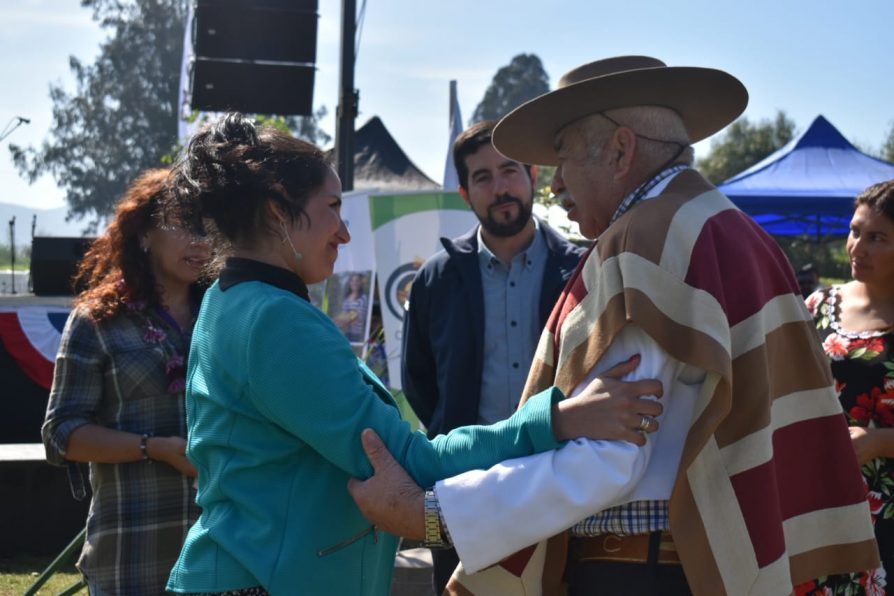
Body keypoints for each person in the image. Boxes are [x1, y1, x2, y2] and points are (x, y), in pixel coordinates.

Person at [347, 56, 879, 595]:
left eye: (564, 159)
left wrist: (430, 515)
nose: (555, 187)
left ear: (622, 150)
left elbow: (609, 458)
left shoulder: (644, 241)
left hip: (636, 572)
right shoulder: (734, 231)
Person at [162, 113, 665, 596]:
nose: (344, 232)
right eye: (333, 208)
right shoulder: (275, 318)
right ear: (278, 212)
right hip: (271, 577)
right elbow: (408, 458)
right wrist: (558, 419)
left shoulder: (230, 300)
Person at [402, 119, 585, 593]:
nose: (499, 188)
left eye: (508, 171)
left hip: (565, 489)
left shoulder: (583, 270)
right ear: (465, 193)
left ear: (532, 177)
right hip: (468, 494)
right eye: (482, 177)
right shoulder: (435, 281)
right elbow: (421, 385)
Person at [41, 169, 210, 595]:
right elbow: (61, 434)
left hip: (218, 550)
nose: (200, 240)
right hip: (133, 550)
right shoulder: (98, 321)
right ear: (143, 235)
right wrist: (154, 448)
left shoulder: (225, 317)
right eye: (185, 224)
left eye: (208, 229)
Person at [802, 180, 894, 595]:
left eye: (877, 238)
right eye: (855, 231)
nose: (857, 247)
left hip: (885, 515)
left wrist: (878, 442)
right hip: (813, 500)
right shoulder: (818, 306)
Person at [337, 272, 369, 342]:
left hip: (357, 335)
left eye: (357, 281)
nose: (354, 283)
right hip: (345, 333)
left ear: (361, 283)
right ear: (350, 283)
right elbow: (344, 315)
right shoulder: (346, 299)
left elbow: (359, 316)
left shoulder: (363, 298)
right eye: (352, 280)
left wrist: (345, 319)